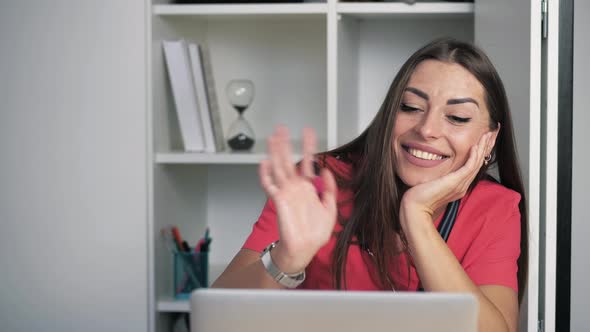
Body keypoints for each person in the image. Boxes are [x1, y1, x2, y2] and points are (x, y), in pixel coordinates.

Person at [212, 38, 528, 332]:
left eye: (457, 117)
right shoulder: (318, 182)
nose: (427, 129)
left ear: (489, 140)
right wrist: (286, 259)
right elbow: (215, 321)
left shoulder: (495, 207)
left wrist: (416, 215)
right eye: (411, 107)